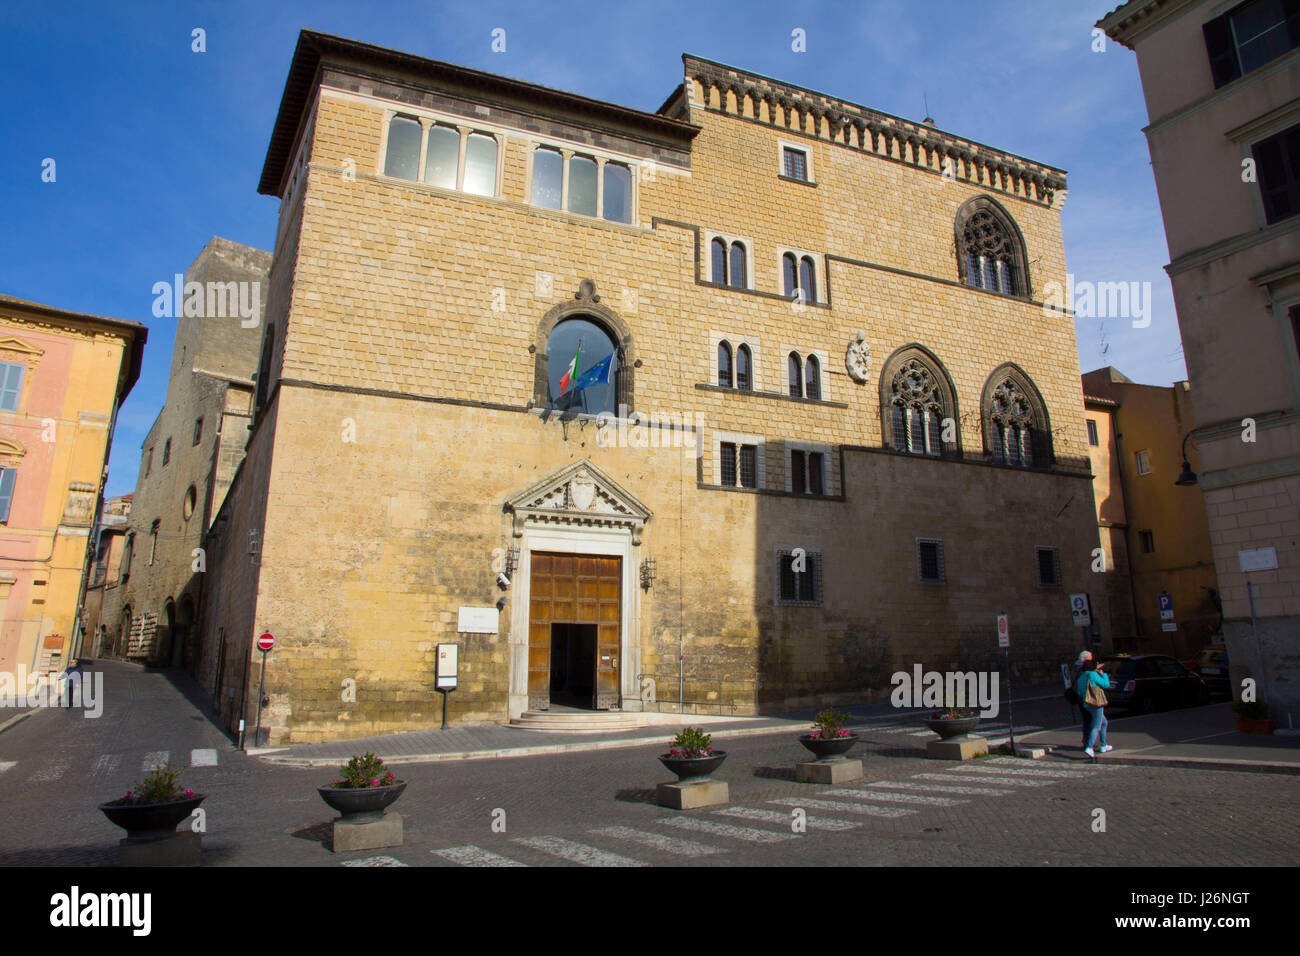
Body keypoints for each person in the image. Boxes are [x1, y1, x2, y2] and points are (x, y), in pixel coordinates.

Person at [1075, 659, 1114, 759]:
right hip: (1096, 703)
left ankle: (1103, 745)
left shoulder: (1081, 676)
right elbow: (1106, 684)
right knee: (1097, 725)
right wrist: (1104, 675)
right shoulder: (1092, 674)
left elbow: (1079, 691)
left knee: (1104, 722)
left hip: (1087, 703)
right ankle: (1089, 747)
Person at [1068, 651, 1093, 747]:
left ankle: (1086, 739)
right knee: (1090, 718)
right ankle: (1088, 740)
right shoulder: (1084, 667)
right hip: (1084, 694)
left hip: (1078, 695)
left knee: (1086, 718)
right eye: (1090, 658)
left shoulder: (1075, 666)